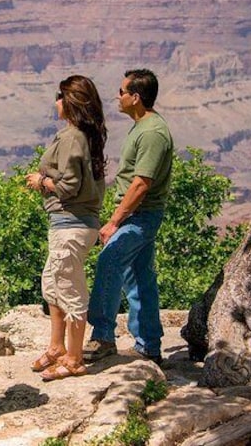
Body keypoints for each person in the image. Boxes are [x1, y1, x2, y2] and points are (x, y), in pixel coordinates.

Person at [84, 68, 174, 365]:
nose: (117, 97)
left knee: (109, 260)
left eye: (122, 92)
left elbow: (141, 184)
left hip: (141, 215)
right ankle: (149, 345)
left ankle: (103, 336)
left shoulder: (151, 133)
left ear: (136, 97)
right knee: (139, 277)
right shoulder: (144, 126)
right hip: (140, 214)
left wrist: (113, 222)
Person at [25, 75, 107, 381]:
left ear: (69, 103)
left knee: (70, 290)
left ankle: (74, 359)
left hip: (71, 224)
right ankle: (57, 347)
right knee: (53, 282)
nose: (55, 102)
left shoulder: (73, 138)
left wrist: (41, 182)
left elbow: (69, 185)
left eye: (59, 97)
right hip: (68, 224)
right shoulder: (80, 135)